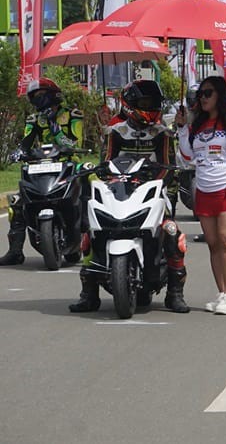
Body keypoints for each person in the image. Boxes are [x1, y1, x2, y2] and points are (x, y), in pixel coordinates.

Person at [70, 80, 189, 313]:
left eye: (153, 103)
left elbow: (167, 166)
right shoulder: (115, 132)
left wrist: (158, 183)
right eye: (145, 103)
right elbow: (105, 163)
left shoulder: (163, 133)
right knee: (92, 231)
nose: (150, 107)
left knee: (172, 233)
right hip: (119, 190)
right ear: (130, 104)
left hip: (154, 190)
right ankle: (88, 294)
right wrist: (103, 173)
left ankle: (175, 294)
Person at [175, 76, 226, 316]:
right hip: (204, 189)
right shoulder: (197, 125)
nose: (203, 98)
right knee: (213, 243)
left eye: (208, 93)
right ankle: (221, 293)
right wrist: (182, 128)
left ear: (220, 95)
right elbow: (187, 157)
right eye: (201, 95)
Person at [1, 79, 84, 266]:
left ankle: (93, 247)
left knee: (89, 189)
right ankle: (15, 251)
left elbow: (74, 143)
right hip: (41, 164)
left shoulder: (73, 115)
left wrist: (54, 124)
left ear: (53, 95)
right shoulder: (34, 119)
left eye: (41, 95)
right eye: (34, 96)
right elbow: (26, 141)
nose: (38, 100)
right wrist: (19, 152)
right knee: (17, 202)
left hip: (68, 164)